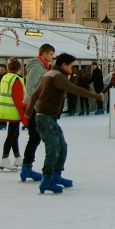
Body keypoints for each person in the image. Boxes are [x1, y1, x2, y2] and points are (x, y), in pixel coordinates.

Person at [26, 52, 103, 194]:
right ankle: (47, 180)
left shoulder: (49, 74)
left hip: (45, 117)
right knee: (53, 148)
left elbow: (36, 94)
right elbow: (75, 89)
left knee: (62, 146)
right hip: (45, 117)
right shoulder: (57, 76)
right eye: (71, 66)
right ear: (64, 64)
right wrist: (96, 96)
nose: (72, 69)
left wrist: (29, 111)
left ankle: (56, 175)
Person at [19, 44, 54, 182]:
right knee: (35, 137)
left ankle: (27, 167)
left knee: (35, 137)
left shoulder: (43, 66)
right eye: (51, 54)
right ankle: (26, 168)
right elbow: (30, 85)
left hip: (34, 105)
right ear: (44, 53)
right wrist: (37, 103)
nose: (52, 56)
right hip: (32, 106)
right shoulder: (37, 66)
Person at [0, 58, 29, 171]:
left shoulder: (5, 77)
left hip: (5, 109)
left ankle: (17, 157)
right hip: (13, 110)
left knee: (14, 134)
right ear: (19, 69)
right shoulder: (16, 79)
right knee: (12, 135)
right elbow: (18, 99)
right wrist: (24, 118)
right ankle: (4, 158)